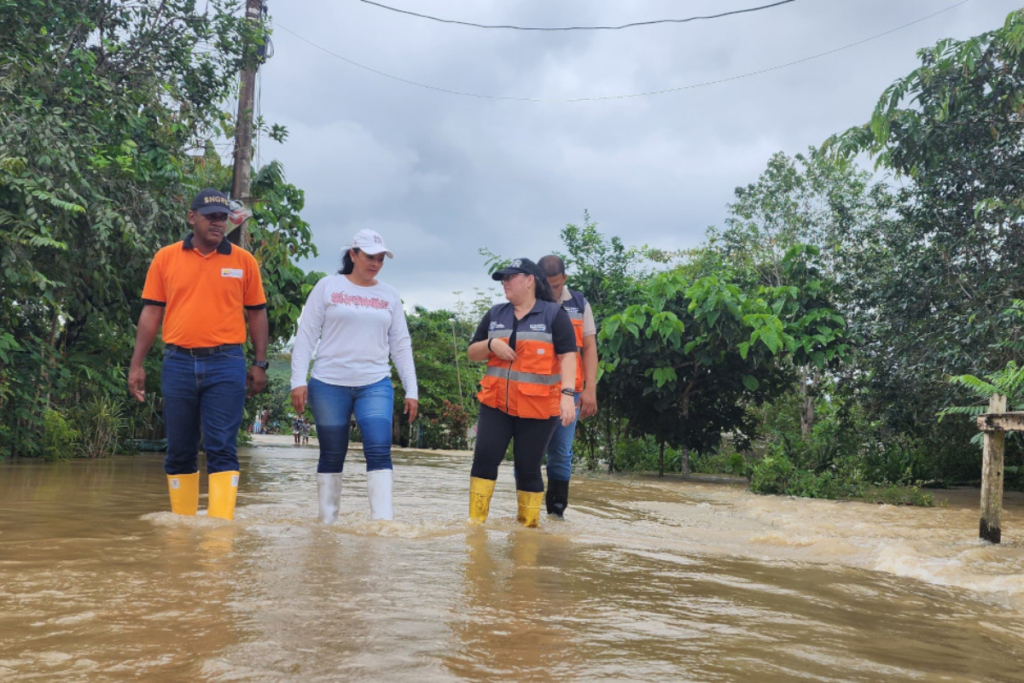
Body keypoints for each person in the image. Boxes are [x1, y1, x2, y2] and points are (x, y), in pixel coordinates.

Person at [128, 188, 268, 521]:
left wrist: (260, 363)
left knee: (221, 446)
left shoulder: (243, 261)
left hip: (226, 362)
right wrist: (137, 364)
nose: (218, 223)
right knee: (179, 449)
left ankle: (219, 532)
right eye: (211, 217)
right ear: (192, 217)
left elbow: (258, 313)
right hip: (177, 362)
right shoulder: (166, 258)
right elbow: (151, 313)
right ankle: (182, 529)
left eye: (223, 218)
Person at [290, 229, 418, 523]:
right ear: (353, 255)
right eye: (369, 257)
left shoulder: (389, 295)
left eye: (380, 258)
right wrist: (297, 380)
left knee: (378, 447)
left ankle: (383, 525)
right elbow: (307, 335)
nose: (375, 263)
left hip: (374, 383)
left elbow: (400, 344)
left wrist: (412, 390)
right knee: (333, 452)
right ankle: (327, 524)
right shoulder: (327, 287)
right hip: (328, 383)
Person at [467, 258, 577, 528]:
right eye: (502, 279)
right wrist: (491, 344)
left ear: (529, 280)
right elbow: (472, 353)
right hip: (495, 405)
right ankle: (475, 528)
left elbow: (569, 357)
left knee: (528, 468)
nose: (504, 283)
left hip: (538, 408)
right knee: (483, 460)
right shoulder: (495, 314)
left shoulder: (553, 315)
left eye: (510, 277)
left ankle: (527, 533)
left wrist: (567, 396)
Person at [538, 255, 599, 518]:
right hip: (535, 391)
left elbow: (589, 348)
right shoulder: (532, 302)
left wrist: (590, 389)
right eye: (547, 285)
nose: (552, 290)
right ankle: (525, 514)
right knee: (528, 453)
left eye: (556, 284)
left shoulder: (579, 303)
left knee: (561, 452)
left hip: (571, 391)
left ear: (564, 278)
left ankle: (556, 513)